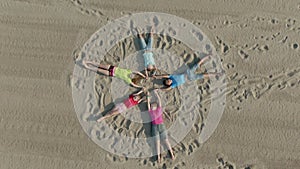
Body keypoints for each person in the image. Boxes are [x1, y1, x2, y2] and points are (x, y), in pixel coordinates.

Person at [155, 55, 220, 91]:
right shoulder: (173, 84)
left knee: (197, 64)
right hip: (190, 78)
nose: (169, 81)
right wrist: (159, 89)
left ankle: (206, 57)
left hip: (188, 72)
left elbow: (164, 76)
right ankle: (216, 74)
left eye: (167, 80)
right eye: (168, 82)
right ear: (169, 84)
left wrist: (157, 76)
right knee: (203, 75)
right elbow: (167, 89)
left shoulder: (172, 76)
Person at [147, 90, 174, 163]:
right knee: (157, 142)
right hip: (154, 127)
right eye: (151, 105)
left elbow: (159, 101)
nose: (152, 106)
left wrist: (156, 94)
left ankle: (171, 153)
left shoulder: (159, 109)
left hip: (161, 125)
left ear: (156, 106)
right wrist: (148, 97)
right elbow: (148, 106)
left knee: (165, 140)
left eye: (153, 105)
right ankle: (158, 156)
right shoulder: (151, 112)